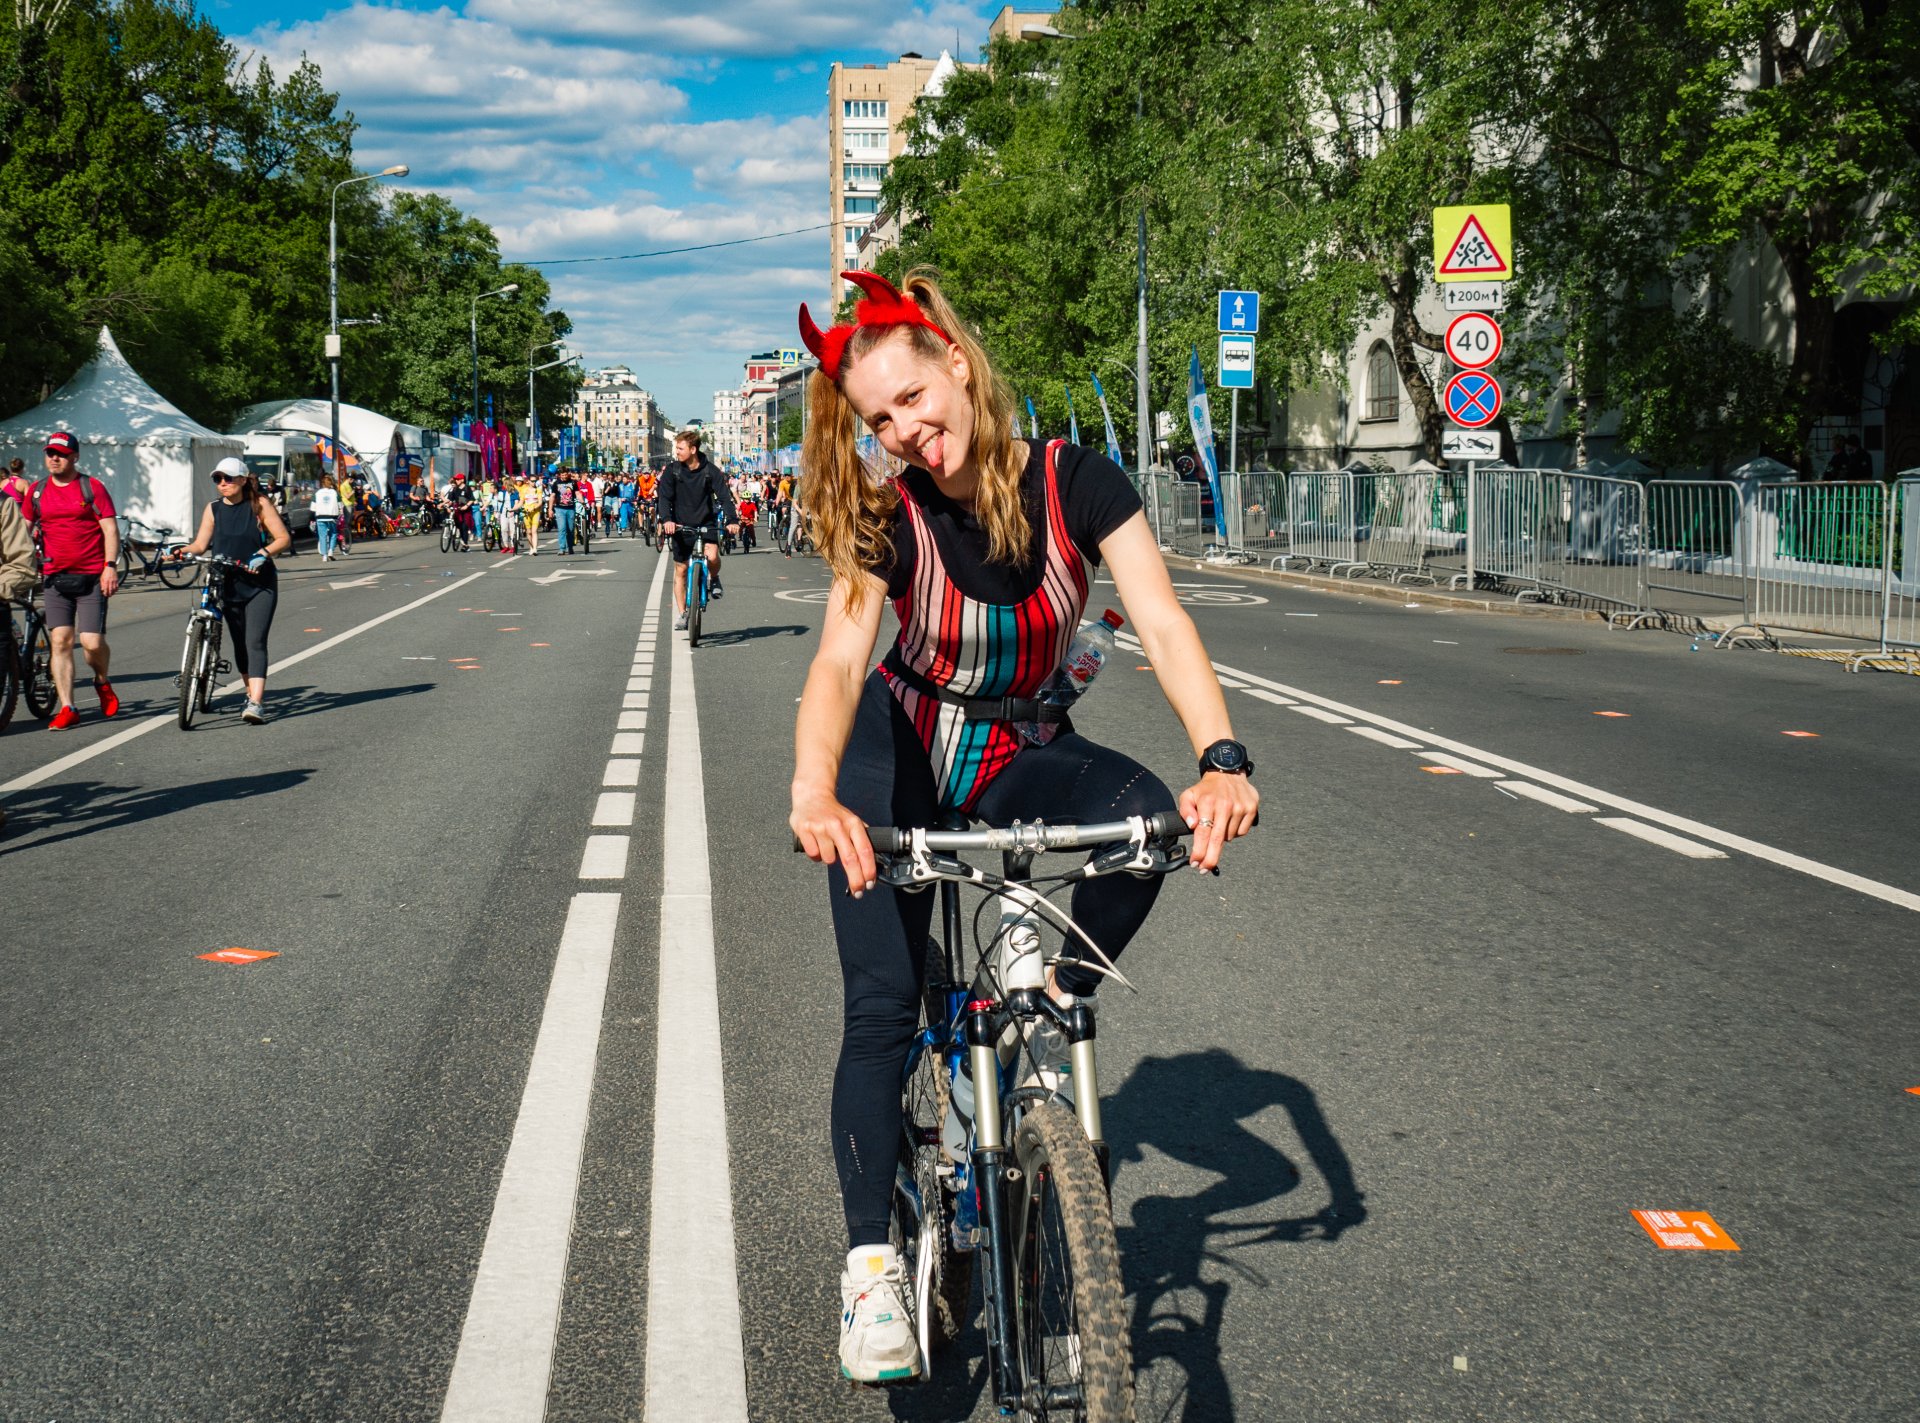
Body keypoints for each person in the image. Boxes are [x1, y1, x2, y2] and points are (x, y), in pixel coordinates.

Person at [786, 271, 1259, 1383]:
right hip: (892, 766)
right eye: (879, 421)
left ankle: (1056, 996)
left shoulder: (1076, 481)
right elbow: (839, 661)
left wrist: (1221, 757)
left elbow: (1163, 618)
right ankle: (870, 1272)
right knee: (885, 1009)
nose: (906, 431)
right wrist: (814, 792)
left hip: (1013, 750)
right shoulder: (887, 514)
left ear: (956, 357)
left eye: (913, 397)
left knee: (1146, 826)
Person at [174, 456, 291, 723]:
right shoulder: (213, 509)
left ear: (242, 479)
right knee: (240, 644)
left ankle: (256, 703)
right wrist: (180, 551)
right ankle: (249, 693)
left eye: (228, 478)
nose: (223, 483)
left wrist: (263, 553)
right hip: (225, 583)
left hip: (259, 584)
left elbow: (283, 538)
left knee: (254, 641)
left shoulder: (259, 504)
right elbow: (200, 544)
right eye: (218, 479)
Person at [26, 431, 122, 729]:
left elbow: (109, 530)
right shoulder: (37, 491)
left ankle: (102, 680)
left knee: (91, 643)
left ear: (75, 457)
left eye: (61, 454)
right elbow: (23, 532)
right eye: (50, 453)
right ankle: (68, 706)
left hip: (92, 577)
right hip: (55, 578)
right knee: (60, 641)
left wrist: (110, 566)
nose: (54, 458)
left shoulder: (91, 488)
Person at [657, 428, 737, 630]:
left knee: (712, 557)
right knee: (681, 570)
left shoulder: (711, 471)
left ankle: (715, 578)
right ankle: (684, 614)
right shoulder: (672, 471)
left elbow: (725, 497)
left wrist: (732, 520)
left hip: (706, 523)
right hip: (679, 525)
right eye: (676, 448)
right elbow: (664, 498)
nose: (677, 452)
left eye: (680, 448)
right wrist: (666, 519)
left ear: (693, 449)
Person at [550, 468, 582, 554]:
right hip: (559, 508)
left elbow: (577, 493)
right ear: (559, 475)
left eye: (565, 475)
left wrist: (582, 501)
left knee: (570, 529)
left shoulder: (573, 482)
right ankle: (562, 548)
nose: (564, 477)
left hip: (570, 508)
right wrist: (550, 509)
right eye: (562, 475)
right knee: (562, 528)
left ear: (567, 474)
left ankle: (570, 547)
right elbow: (552, 496)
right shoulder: (556, 483)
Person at [313, 473, 343, 561]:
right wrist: (340, 513)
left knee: (322, 536)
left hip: (320, 517)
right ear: (331, 484)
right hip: (332, 517)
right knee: (333, 534)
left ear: (322, 484)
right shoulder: (335, 493)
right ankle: (331, 551)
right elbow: (340, 506)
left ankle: (324, 556)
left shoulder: (317, 493)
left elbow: (313, 507)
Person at [491, 477, 521, 553]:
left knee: (512, 530)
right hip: (503, 512)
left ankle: (513, 546)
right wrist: (497, 512)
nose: (503, 485)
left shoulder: (515, 492)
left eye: (505, 483)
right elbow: (499, 502)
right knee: (504, 529)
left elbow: (516, 503)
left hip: (512, 512)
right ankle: (506, 545)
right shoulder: (502, 492)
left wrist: (513, 510)